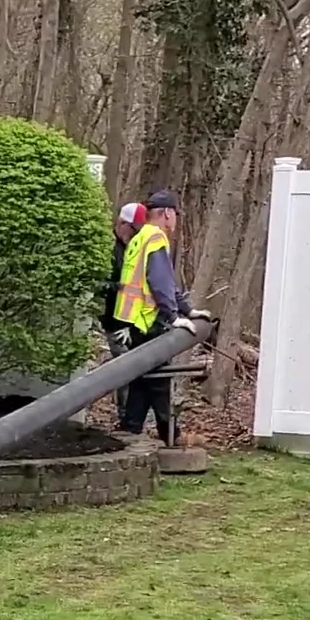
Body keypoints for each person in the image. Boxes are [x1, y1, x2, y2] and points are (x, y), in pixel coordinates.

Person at [107, 188, 210, 444]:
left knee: (144, 380)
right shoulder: (156, 238)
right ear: (166, 213)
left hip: (131, 323)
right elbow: (159, 281)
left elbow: (165, 282)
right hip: (147, 322)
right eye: (175, 214)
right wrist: (174, 317)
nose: (175, 220)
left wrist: (188, 310)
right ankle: (172, 438)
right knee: (158, 379)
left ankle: (130, 432)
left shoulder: (141, 237)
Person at [101, 202, 147, 419]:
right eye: (133, 228)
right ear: (122, 224)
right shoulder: (107, 248)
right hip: (113, 320)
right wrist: (117, 287)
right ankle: (125, 416)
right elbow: (95, 283)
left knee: (135, 368)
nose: (135, 233)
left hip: (131, 320)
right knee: (125, 369)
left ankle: (131, 416)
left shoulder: (132, 248)